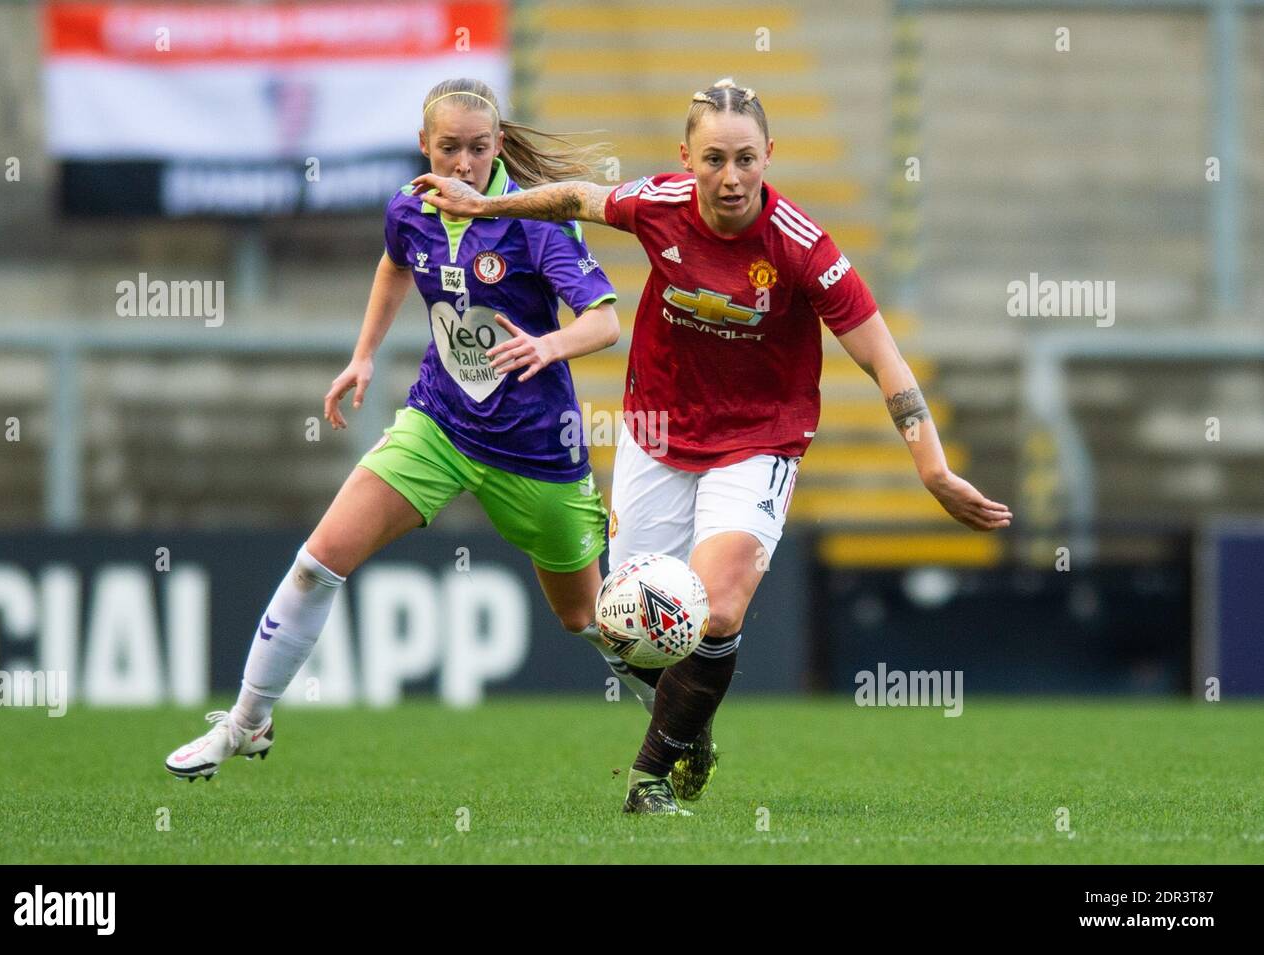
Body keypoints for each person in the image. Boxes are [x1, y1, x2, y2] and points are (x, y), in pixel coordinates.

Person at [414, 77, 1014, 814]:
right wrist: (487, 204)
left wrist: (933, 466)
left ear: (770, 156)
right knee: (627, 623)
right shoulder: (659, 206)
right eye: (714, 160)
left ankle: (649, 776)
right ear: (686, 159)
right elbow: (575, 198)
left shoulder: (802, 248)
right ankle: (689, 729)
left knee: (715, 610)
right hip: (658, 432)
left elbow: (883, 358)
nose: (731, 178)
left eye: (746, 159)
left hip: (759, 440)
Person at [165, 78, 622, 780]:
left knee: (587, 618)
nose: (463, 164)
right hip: (438, 424)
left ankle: (683, 727)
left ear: (498, 147)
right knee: (319, 561)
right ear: (424, 146)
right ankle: (244, 722)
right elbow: (393, 265)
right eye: (449, 149)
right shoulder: (410, 207)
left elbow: (604, 319)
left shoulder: (535, 223)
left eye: (477, 148)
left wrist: (547, 345)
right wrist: (364, 354)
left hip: (535, 446)